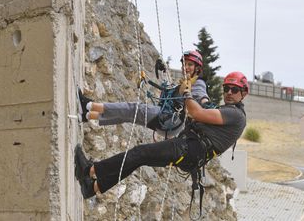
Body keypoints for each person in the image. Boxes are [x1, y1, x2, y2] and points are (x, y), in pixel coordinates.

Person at [74, 71, 248, 200]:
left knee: (139, 153)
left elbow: (197, 113)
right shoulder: (227, 110)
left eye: (234, 89)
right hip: (189, 150)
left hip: (187, 149)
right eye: (227, 88)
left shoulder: (235, 115)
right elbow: (203, 105)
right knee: (138, 158)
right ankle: (94, 187)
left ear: (244, 93)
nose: (229, 93)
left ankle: (90, 170)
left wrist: (187, 93)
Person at [78, 50, 210, 138]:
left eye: (190, 65)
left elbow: (201, 96)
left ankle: (89, 105)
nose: (185, 67)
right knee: (129, 116)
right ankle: (88, 115)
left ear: (198, 68)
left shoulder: (198, 83)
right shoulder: (184, 82)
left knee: (133, 108)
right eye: (184, 64)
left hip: (169, 119)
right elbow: (171, 93)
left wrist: (206, 104)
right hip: (169, 123)